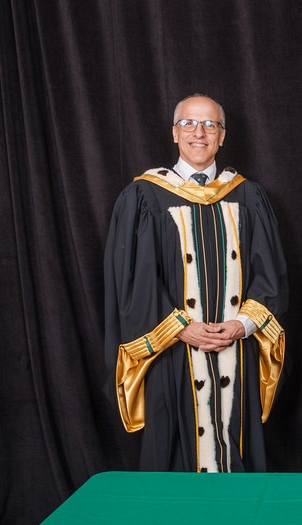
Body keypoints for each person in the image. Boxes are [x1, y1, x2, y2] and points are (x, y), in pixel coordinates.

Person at [104, 94, 288, 472]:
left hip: (236, 352)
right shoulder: (143, 196)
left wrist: (242, 325)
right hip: (173, 357)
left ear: (222, 136)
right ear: (175, 133)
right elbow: (132, 282)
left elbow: (270, 275)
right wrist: (180, 329)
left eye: (210, 125)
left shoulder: (247, 195)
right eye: (189, 124)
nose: (199, 133)